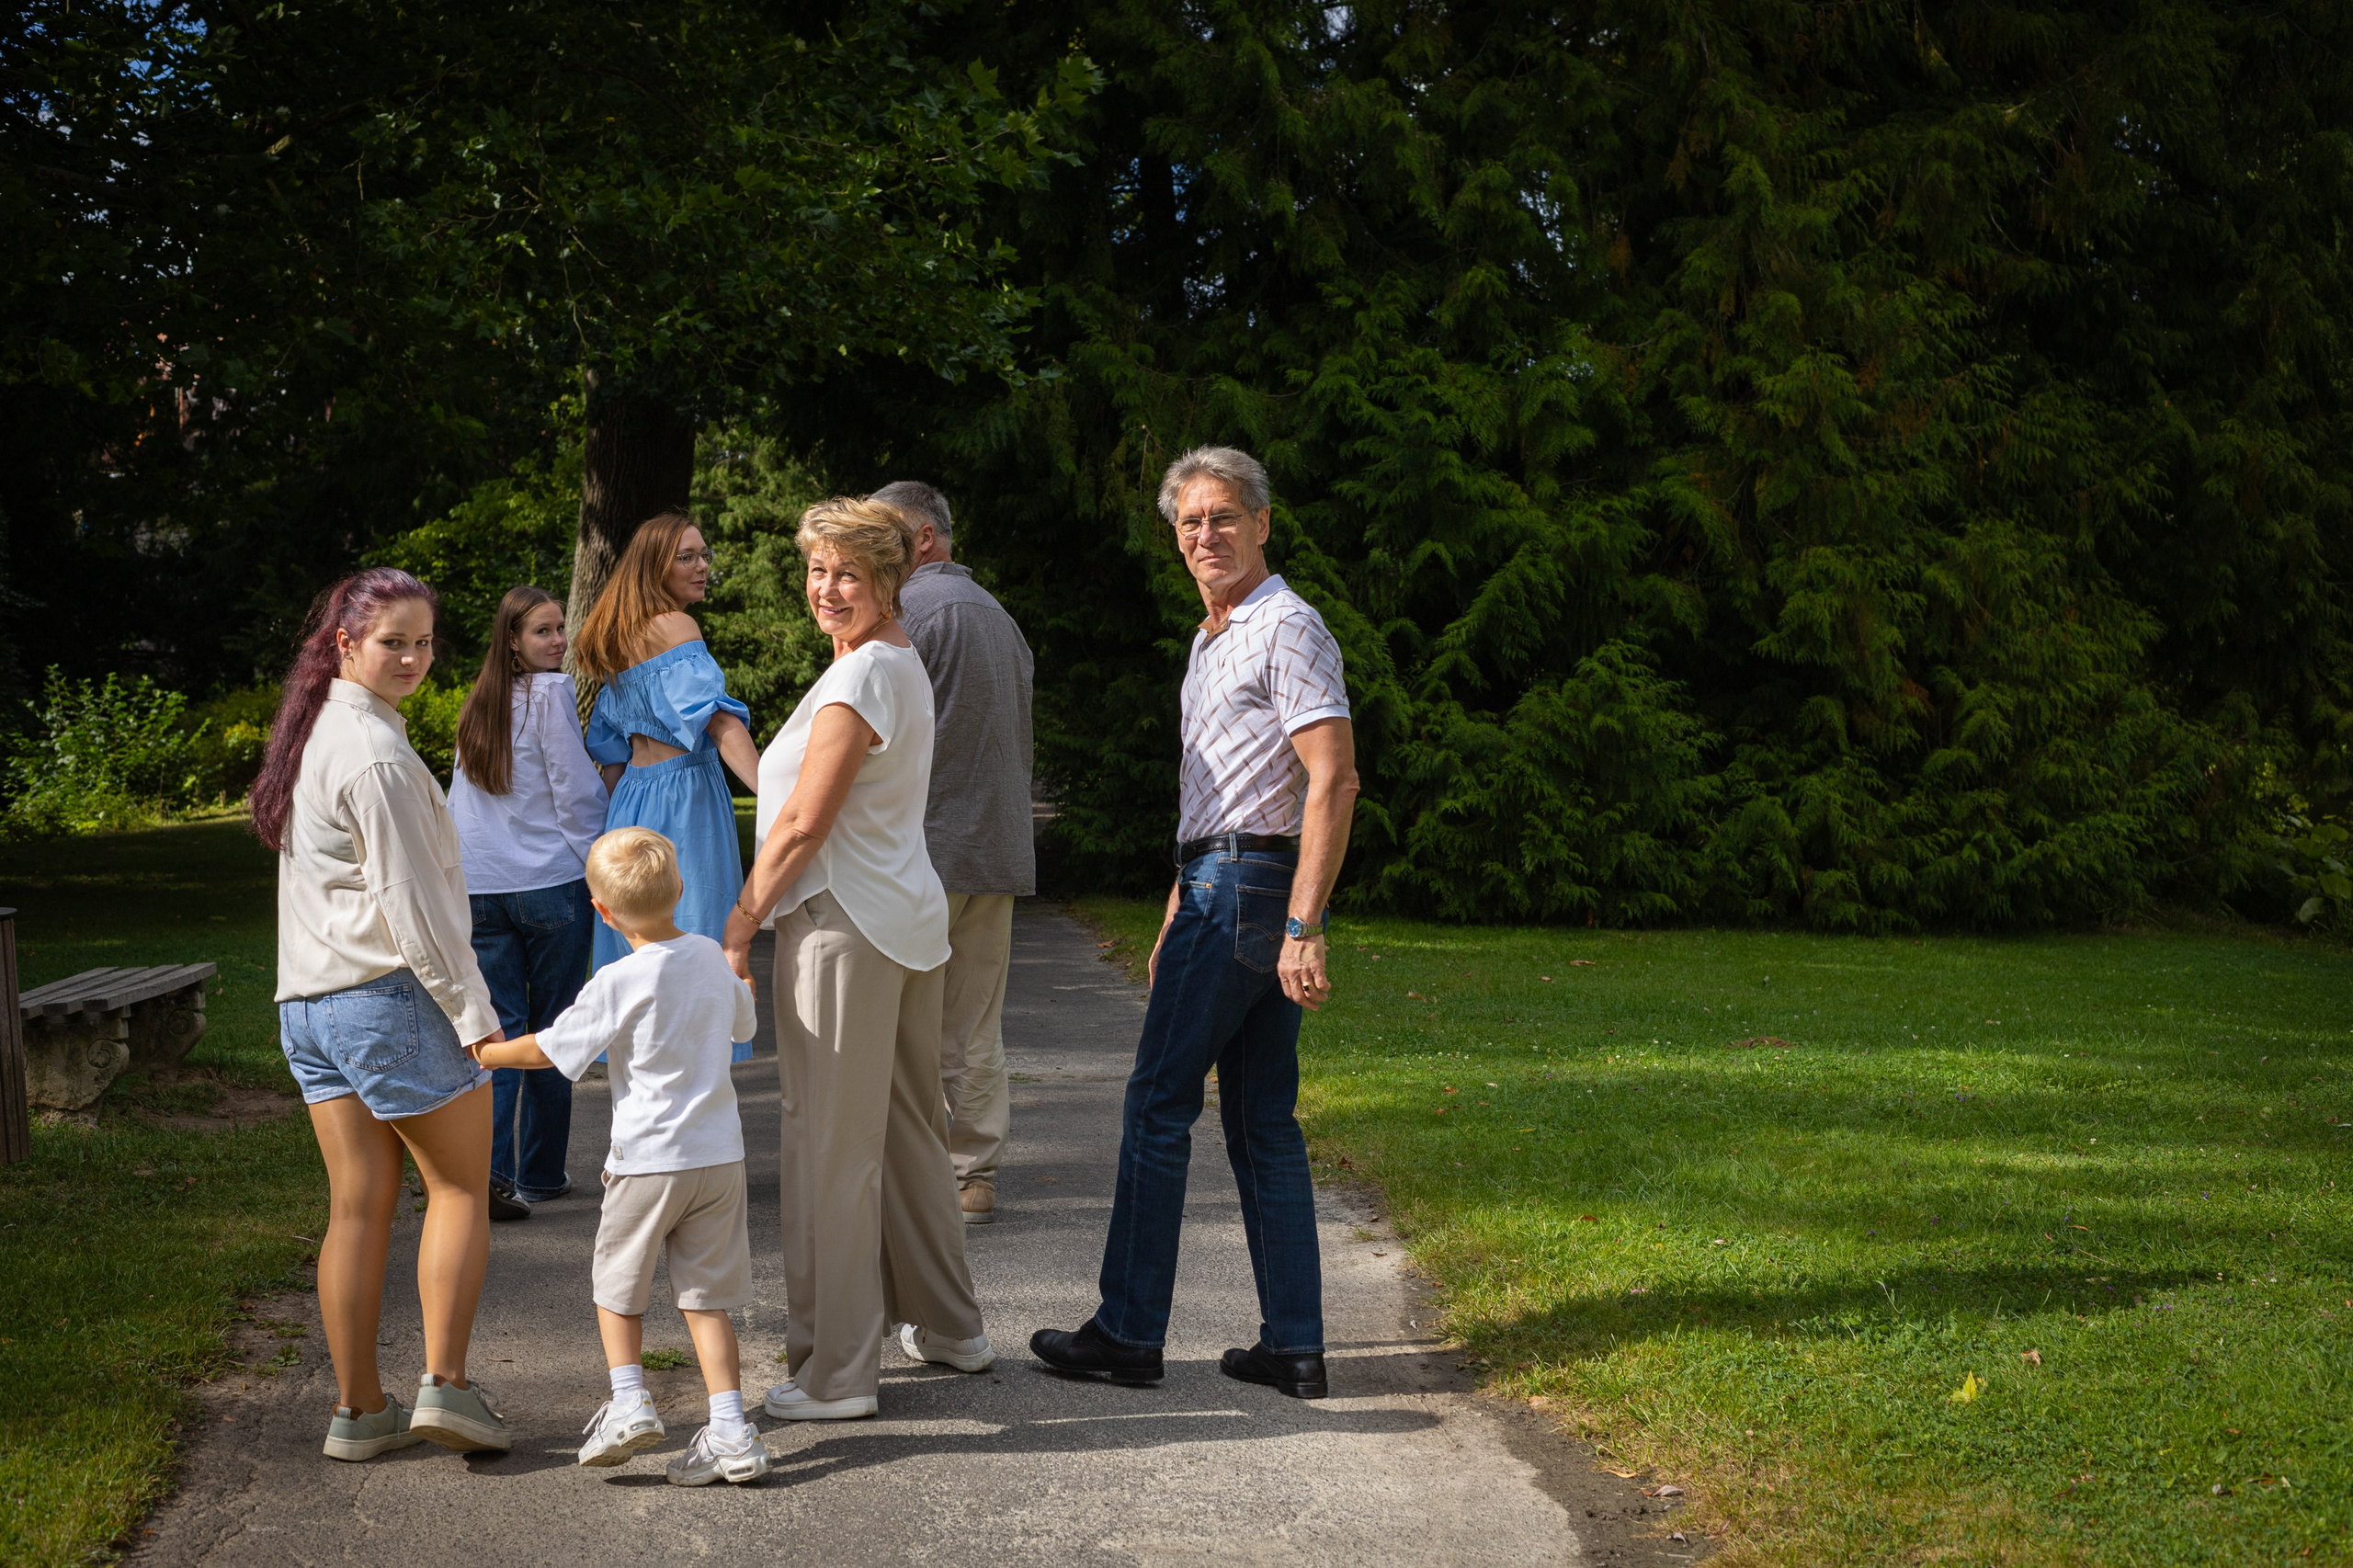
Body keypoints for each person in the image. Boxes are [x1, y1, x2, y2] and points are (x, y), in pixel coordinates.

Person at [1031, 446, 1358, 1400]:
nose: (1204, 535)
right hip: (1223, 879)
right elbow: (1227, 784)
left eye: (1223, 517)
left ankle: (1128, 1331)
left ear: (1263, 523)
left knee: (1156, 1102)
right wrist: (1183, 886)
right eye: (1188, 523)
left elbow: (1331, 777)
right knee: (1261, 1120)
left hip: (1256, 888)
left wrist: (1302, 924)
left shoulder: (1285, 626)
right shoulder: (1214, 635)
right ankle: (1292, 1345)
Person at [722, 495, 994, 1422]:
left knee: (828, 1147)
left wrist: (740, 918)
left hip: (844, 928)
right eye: (816, 571)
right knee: (912, 1130)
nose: (827, 589)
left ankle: (836, 1372)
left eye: (847, 573)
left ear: (888, 580)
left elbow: (801, 822)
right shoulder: (888, 663)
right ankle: (951, 1326)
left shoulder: (862, 677)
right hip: (902, 918)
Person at [253, 567, 514, 1461]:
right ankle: (446, 1386)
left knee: (358, 1208)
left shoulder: (315, 733)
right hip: (387, 996)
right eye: (392, 640)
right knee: (459, 1189)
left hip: (311, 1005)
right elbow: (417, 911)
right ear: (345, 644)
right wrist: (475, 1016)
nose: (411, 656)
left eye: (424, 640)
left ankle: (360, 1411)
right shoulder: (374, 754)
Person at [472, 827, 767, 1486]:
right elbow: (744, 1026)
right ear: (680, 890)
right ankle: (732, 1432)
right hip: (718, 1158)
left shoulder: (617, 979)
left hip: (647, 1162)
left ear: (601, 911)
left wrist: (490, 1054)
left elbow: (555, 1048)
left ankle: (630, 1400)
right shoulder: (712, 962)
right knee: (706, 1298)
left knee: (618, 1285)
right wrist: (739, 973)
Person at [872, 480, 1034, 1226]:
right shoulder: (1000, 619)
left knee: (904, 1022)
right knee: (973, 1023)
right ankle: (973, 1173)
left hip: (924, 851)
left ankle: (916, 1170)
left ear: (924, 540)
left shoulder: (910, 614)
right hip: (993, 849)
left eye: (886, 536)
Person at [575, 511, 762, 1060]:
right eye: (687, 556)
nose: (703, 565)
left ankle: (641, 1075)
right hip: (686, 797)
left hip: (632, 799)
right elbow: (720, 723)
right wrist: (776, 797)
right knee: (695, 937)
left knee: (637, 944)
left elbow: (609, 753)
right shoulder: (676, 628)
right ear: (653, 566)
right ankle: (691, 1082)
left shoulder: (615, 639)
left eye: (704, 554)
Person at [449, 585, 608, 1216]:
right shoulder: (550, 694)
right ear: (512, 641)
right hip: (547, 885)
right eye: (543, 631)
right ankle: (540, 1172)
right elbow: (575, 792)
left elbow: (460, 802)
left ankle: (492, 1173)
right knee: (554, 1029)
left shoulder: (478, 701)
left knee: (501, 1031)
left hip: (480, 888)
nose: (558, 640)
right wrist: (598, 859)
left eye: (560, 628)